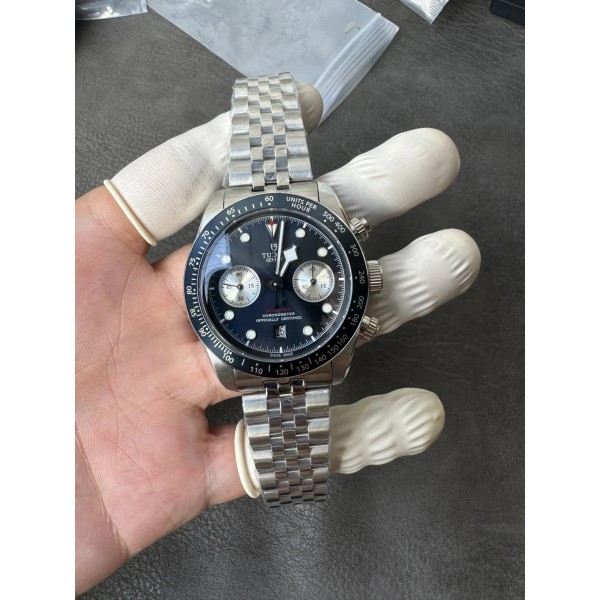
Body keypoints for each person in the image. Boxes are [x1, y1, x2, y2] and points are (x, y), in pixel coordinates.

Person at [76, 84, 480, 594]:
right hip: (272, 340)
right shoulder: (212, 262)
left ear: (365, 279)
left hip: (302, 337)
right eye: (255, 283)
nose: (272, 287)